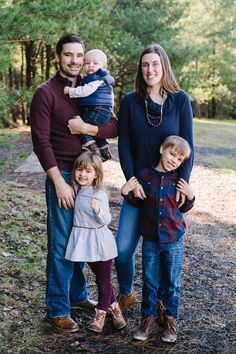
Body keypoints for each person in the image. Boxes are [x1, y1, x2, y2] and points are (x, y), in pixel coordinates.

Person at [30, 34, 118, 333]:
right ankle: (57, 309)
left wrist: (86, 127)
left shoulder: (91, 85)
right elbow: (41, 142)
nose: (75, 60)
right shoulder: (46, 93)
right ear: (58, 57)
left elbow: (113, 126)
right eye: (69, 55)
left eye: (79, 55)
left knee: (81, 240)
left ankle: (78, 296)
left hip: (88, 178)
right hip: (64, 177)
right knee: (60, 245)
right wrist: (58, 182)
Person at [116, 43, 194, 311]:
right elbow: (124, 145)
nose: (150, 69)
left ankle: (161, 304)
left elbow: (189, 146)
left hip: (167, 191)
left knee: (163, 252)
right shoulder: (129, 101)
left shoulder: (180, 100)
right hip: (138, 189)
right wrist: (131, 179)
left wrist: (183, 183)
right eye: (145, 64)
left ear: (164, 67)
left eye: (155, 64)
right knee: (123, 250)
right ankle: (126, 292)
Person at [121, 135, 195, 343]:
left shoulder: (179, 180)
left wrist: (191, 196)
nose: (174, 160)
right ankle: (147, 320)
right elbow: (137, 201)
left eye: (179, 159)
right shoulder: (145, 176)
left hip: (174, 241)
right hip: (151, 241)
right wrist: (126, 193)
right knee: (150, 281)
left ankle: (170, 321)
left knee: (172, 283)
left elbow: (185, 207)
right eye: (172, 153)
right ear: (162, 149)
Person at [65, 151, 126, 333]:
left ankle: (100, 315)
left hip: (99, 241)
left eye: (88, 171)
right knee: (102, 280)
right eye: (79, 170)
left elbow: (107, 219)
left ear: (96, 174)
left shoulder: (98, 194)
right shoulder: (76, 190)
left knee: (103, 280)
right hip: (84, 241)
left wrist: (98, 210)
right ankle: (116, 310)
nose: (82, 174)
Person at [64, 49, 114, 162]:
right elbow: (111, 99)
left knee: (79, 125)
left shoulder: (97, 79)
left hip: (98, 111)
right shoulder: (103, 80)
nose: (90, 66)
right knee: (96, 133)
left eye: (95, 63)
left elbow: (85, 91)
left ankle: (92, 147)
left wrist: (70, 91)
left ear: (104, 66)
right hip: (104, 112)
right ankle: (104, 149)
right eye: (87, 63)